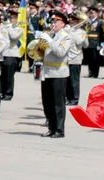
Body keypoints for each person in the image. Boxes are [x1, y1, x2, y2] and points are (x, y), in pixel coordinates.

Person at [35, 10, 72, 138]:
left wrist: (49, 41)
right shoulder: (52, 35)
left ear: (63, 24)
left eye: (56, 21)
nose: (53, 23)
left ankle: (59, 130)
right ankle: (51, 128)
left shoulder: (66, 36)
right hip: (46, 73)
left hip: (58, 74)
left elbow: (60, 52)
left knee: (58, 104)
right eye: (52, 21)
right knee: (47, 103)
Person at [66, 12, 88, 106]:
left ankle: (75, 98)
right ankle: (68, 97)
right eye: (71, 22)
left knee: (74, 80)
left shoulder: (81, 32)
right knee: (67, 79)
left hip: (76, 57)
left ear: (78, 22)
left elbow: (78, 41)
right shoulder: (67, 30)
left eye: (74, 22)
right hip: (66, 57)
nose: (72, 24)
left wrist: (70, 32)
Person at [1, 10, 22, 101]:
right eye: (10, 17)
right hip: (2, 53)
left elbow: (14, 37)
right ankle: (1, 91)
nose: (11, 19)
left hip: (11, 53)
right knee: (1, 74)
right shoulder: (4, 26)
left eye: (13, 18)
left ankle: (8, 93)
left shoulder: (18, 28)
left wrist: (8, 27)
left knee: (9, 76)